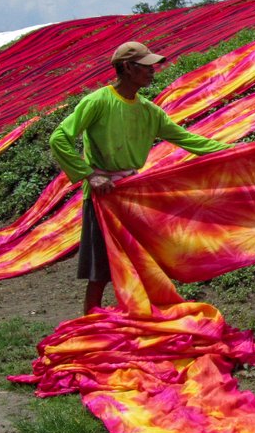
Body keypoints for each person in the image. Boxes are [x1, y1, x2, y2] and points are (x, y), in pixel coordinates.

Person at [49, 41, 230, 314]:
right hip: (103, 196)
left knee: (141, 260)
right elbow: (59, 138)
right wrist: (90, 175)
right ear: (126, 68)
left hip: (131, 193)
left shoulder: (148, 111)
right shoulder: (98, 101)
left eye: (152, 66)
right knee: (101, 269)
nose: (152, 71)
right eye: (146, 66)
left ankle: (142, 313)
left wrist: (236, 150)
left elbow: (188, 140)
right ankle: (90, 321)